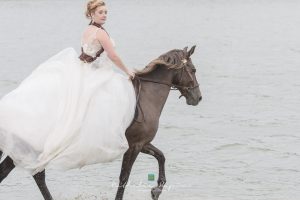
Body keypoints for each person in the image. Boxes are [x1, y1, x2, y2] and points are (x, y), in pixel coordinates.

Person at [0, 0, 136, 175]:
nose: (104, 15)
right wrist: (128, 71)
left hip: (84, 68)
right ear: (92, 14)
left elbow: (91, 54)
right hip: (94, 71)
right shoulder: (100, 33)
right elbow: (113, 55)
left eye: (106, 12)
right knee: (112, 95)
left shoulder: (88, 30)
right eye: (101, 12)